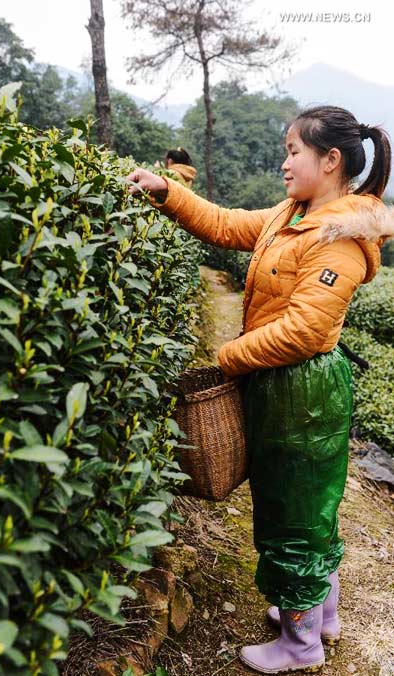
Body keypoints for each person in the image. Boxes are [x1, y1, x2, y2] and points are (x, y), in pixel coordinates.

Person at [126, 105, 394, 675]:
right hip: (285, 384)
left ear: (331, 160)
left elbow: (306, 330)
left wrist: (227, 358)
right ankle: (320, 615)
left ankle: (300, 646)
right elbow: (227, 224)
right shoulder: (292, 214)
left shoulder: (339, 236)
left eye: (294, 151)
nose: (284, 162)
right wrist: (165, 191)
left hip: (301, 388)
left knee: (289, 510)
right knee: (306, 504)